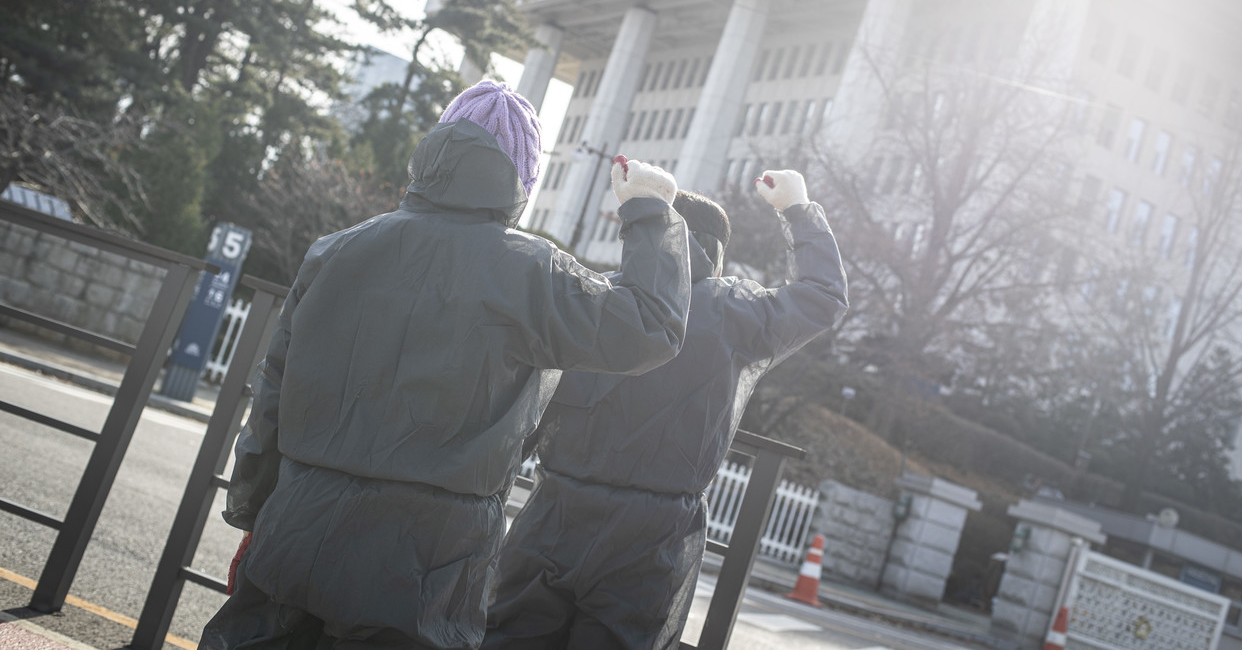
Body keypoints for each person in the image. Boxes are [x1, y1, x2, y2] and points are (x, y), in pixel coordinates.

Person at [200, 80, 692, 650]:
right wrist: (651, 210)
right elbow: (651, 327)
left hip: (299, 517)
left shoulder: (336, 249)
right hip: (427, 554)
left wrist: (257, 513)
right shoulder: (530, 270)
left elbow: (273, 395)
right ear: (520, 179)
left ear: (434, 150)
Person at [482, 169, 848, 650]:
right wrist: (798, 208)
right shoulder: (735, 313)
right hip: (653, 537)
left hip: (554, 513)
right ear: (715, 249)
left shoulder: (600, 295)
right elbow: (823, 298)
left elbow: (529, 402)